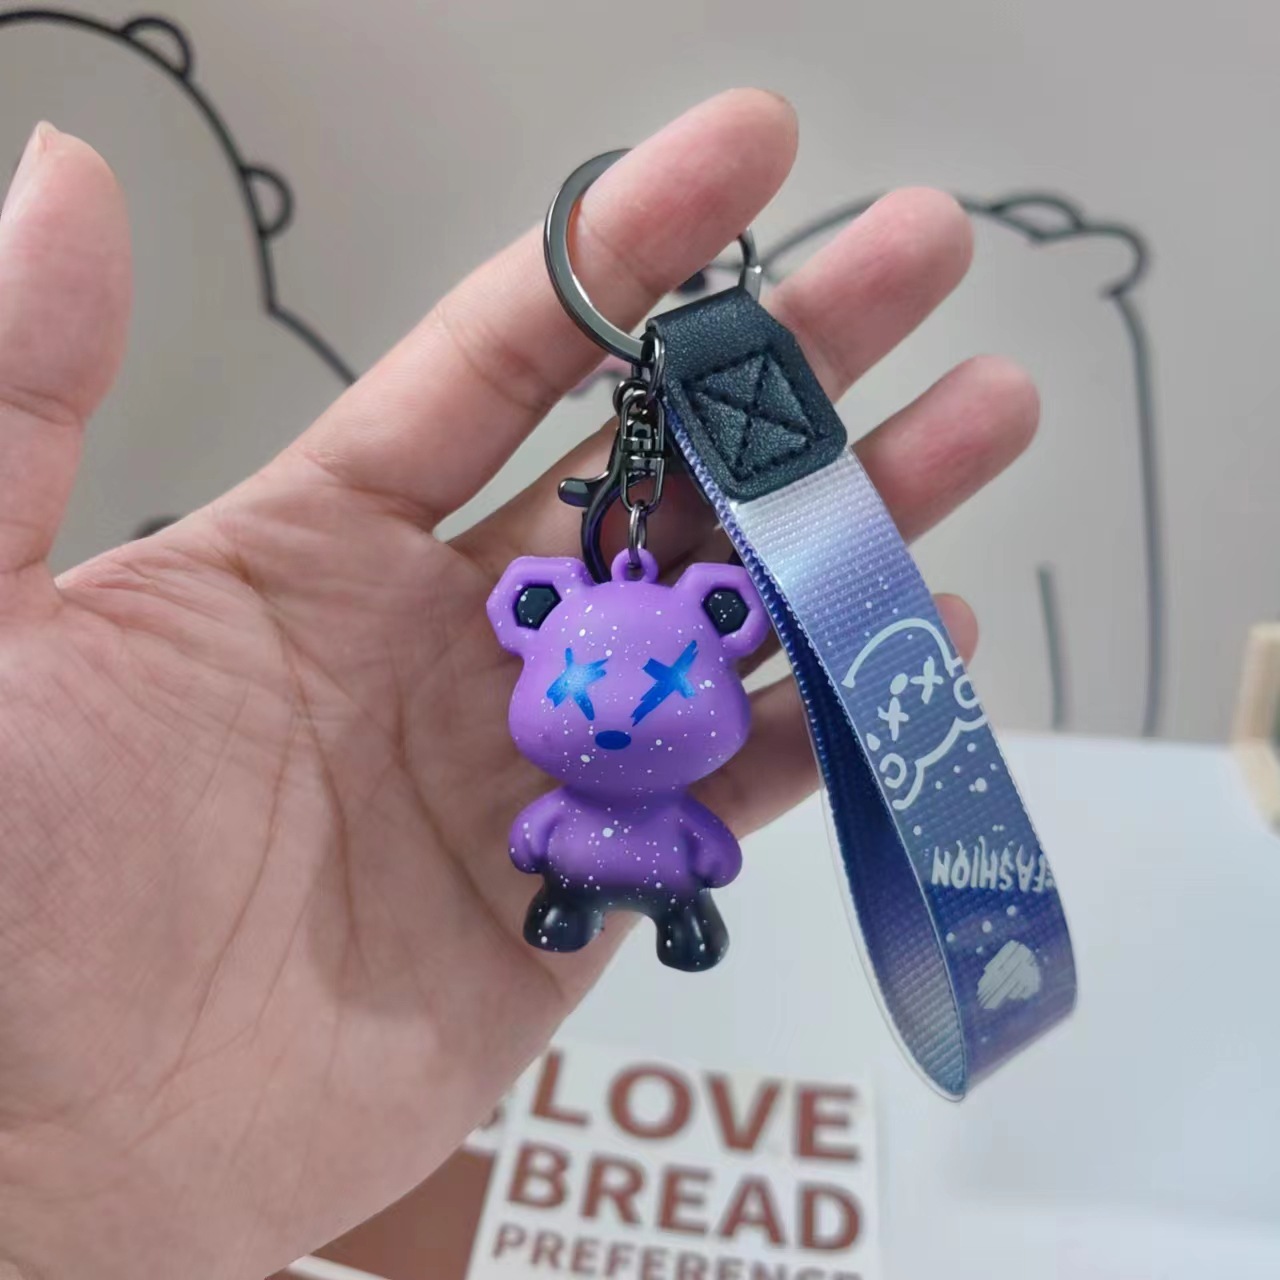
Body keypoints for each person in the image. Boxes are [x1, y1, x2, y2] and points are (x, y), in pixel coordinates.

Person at [0, 90, 1038, 1277]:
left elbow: (705, 839)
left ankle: (669, 917)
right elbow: (583, 827)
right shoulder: (551, 761)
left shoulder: (656, 702)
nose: (620, 708)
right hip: (556, 865)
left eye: (659, 683)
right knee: (581, 888)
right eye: (589, 681)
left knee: (674, 889)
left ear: (723, 620)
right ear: (529, 620)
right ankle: (591, 907)